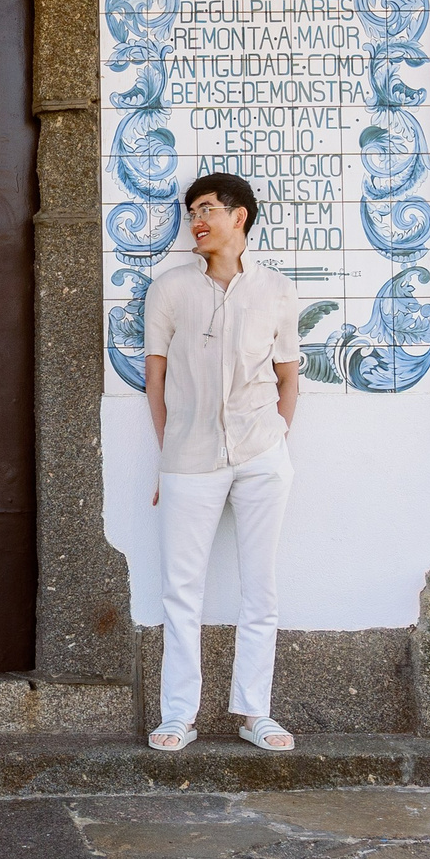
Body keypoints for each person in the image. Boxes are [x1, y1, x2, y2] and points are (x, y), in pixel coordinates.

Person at [143, 171, 302, 753]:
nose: (196, 220)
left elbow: (289, 377)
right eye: (191, 211)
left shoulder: (278, 292)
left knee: (261, 589)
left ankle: (253, 711)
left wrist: (277, 441)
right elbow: (154, 378)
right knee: (181, 590)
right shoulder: (170, 290)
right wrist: (166, 457)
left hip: (262, 454)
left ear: (240, 217)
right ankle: (178, 713)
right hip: (189, 456)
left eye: (206, 208)